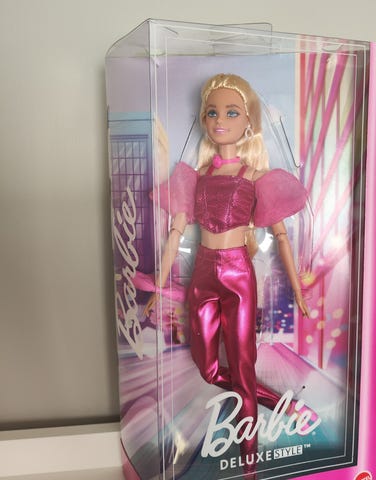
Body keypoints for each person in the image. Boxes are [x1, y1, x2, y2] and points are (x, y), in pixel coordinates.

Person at [153, 73, 311, 479]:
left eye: (231, 112)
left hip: (238, 275)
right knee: (209, 368)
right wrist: (158, 285)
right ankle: (285, 405)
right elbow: (175, 233)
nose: (220, 120)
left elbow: (281, 236)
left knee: (242, 367)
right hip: (203, 273)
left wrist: (298, 289)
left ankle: (249, 468)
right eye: (212, 112)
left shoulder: (256, 178)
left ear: (248, 122)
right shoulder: (195, 176)